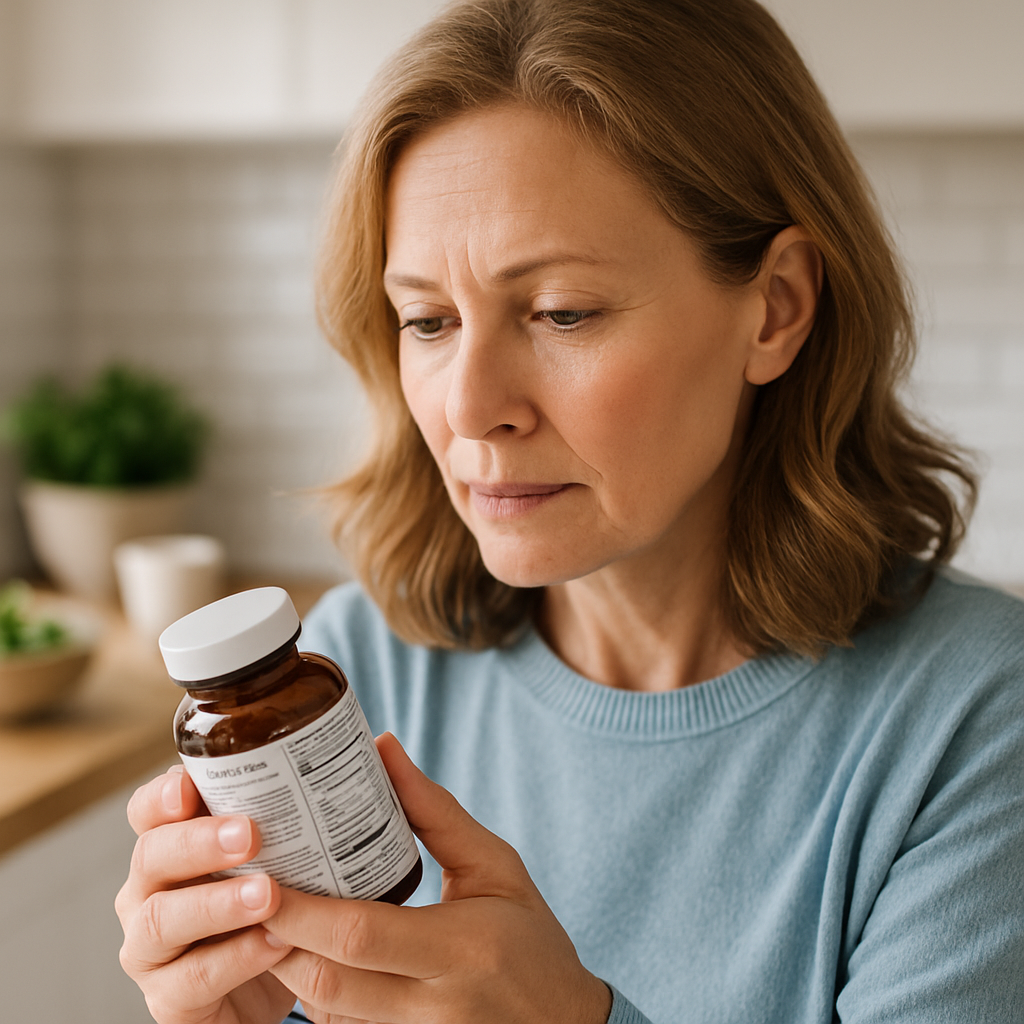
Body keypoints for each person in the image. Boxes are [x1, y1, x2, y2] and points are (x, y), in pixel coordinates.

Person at [115, 1, 1024, 1021]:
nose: (467, 406)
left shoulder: (981, 719)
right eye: (428, 320)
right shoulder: (350, 679)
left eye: (561, 312)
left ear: (774, 309)